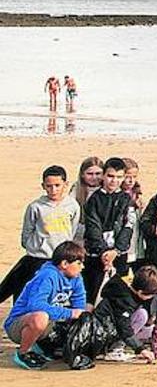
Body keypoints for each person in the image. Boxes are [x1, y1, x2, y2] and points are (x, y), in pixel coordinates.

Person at [0, 165, 80, 304]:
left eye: (57, 185)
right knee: (21, 288)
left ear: (65, 184)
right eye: (49, 186)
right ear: (43, 186)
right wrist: (34, 247)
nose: (53, 190)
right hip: (37, 257)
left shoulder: (72, 205)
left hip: (60, 259)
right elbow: (27, 231)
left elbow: (72, 230)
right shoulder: (36, 206)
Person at [5, 240, 87, 370]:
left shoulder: (77, 278)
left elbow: (80, 305)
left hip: (50, 323)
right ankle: (23, 353)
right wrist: (69, 313)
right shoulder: (47, 276)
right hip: (20, 325)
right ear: (64, 264)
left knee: (83, 316)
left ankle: (45, 347)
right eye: (79, 263)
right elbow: (35, 306)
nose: (82, 267)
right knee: (40, 317)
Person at [82, 157, 136, 303]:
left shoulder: (126, 199)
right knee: (92, 295)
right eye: (111, 176)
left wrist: (116, 250)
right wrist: (104, 252)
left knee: (120, 294)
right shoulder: (94, 199)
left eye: (119, 177)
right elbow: (93, 227)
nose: (114, 181)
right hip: (96, 255)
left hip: (119, 255)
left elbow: (128, 225)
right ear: (104, 176)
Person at [95, 263, 157, 364]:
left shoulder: (128, 286)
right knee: (139, 317)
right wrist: (141, 349)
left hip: (113, 324)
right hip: (103, 330)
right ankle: (114, 349)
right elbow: (123, 327)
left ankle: (119, 345)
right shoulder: (124, 300)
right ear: (140, 292)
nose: (151, 298)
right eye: (150, 295)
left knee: (142, 315)